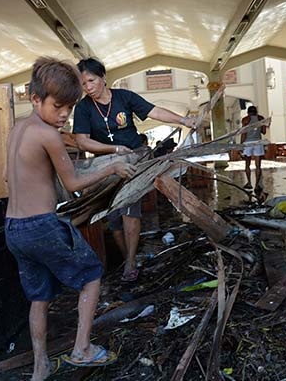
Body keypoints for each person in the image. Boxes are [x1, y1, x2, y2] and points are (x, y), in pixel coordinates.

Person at [4, 57, 136, 380]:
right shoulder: (48, 134)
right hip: (40, 227)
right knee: (91, 274)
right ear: (36, 99)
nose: (64, 115)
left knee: (39, 296)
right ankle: (82, 349)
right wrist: (112, 168)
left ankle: (40, 367)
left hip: (13, 229)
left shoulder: (18, 128)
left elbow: (10, 179)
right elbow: (73, 182)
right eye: (58, 106)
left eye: (70, 107)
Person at [73, 57, 197, 282]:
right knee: (113, 217)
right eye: (83, 84)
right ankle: (124, 255)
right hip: (106, 166)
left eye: (91, 80)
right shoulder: (83, 108)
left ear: (103, 78)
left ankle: (130, 260)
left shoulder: (123, 97)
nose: (88, 87)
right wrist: (114, 148)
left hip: (134, 160)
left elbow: (154, 112)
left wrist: (183, 120)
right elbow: (82, 141)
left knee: (130, 208)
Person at [240, 105, 269, 190]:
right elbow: (263, 132)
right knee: (258, 166)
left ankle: (249, 183)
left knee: (247, 164)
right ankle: (257, 185)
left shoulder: (245, 119)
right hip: (258, 143)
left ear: (248, 112)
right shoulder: (261, 118)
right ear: (256, 111)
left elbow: (243, 133)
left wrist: (241, 145)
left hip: (248, 143)